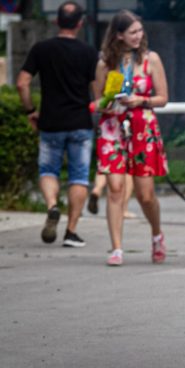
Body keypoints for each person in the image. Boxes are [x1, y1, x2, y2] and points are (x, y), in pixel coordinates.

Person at [15, 1, 98, 248]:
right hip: (80, 122)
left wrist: (30, 110)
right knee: (79, 176)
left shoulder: (42, 49)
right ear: (81, 23)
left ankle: (52, 206)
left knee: (48, 171)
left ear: (56, 21)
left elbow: (22, 83)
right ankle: (71, 232)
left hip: (50, 122)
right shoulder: (88, 52)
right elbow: (98, 92)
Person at [93, 10, 168, 266]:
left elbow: (163, 98)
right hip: (113, 127)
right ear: (119, 35)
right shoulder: (104, 63)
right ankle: (116, 248)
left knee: (145, 195)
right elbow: (97, 98)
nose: (139, 36)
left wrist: (141, 100)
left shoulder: (151, 59)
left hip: (142, 126)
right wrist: (107, 104)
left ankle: (157, 234)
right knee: (115, 188)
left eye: (140, 30)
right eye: (133, 32)